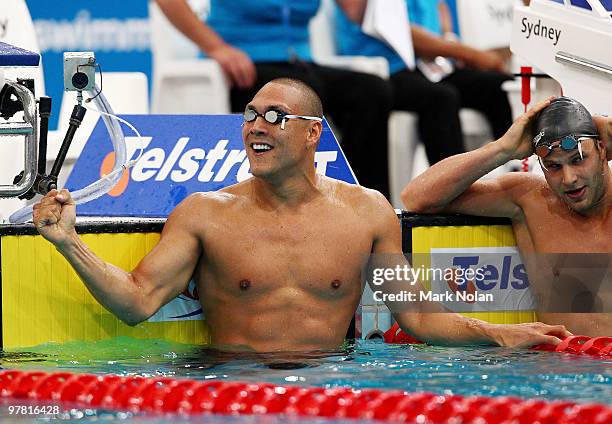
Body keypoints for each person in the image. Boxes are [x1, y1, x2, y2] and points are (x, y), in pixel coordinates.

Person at [33, 78, 569, 352]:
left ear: (313, 132)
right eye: (250, 115)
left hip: (331, 383)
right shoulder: (205, 215)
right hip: (230, 385)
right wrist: (68, 242)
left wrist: (496, 334)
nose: (255, 126)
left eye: (274, 116)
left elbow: (419, 318)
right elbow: (136, 302)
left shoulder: (367, 213)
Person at [402, 97, 612, 336]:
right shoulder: (531, 199)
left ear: (602, 150)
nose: (569, 178)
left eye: (578, 159)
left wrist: (605, 124)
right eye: (554, 166)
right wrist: (503, 149)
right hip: (562, 365)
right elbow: (416, 197)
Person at [155, 0, 393, 198]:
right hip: (245, 64)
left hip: (299, 59)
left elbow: (355, 11)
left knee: (371, 92)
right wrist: (217, 48)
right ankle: (298, 202)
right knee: (305, 93)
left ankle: (365, 201)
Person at [335, 0, 513, 164]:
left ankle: (517, 169)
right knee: (441, 98)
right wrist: (467, 53)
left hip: (428, 63)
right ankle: (451, 190)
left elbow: (439, 8)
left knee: (500, 86)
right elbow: (402, 32)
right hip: (386, 66)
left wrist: (449, 37)